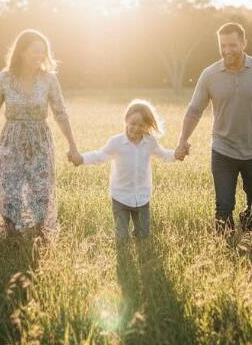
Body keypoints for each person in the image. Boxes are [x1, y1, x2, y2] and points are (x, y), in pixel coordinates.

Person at [175, 22, 252, 234]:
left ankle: (245, 225)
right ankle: (224, 251)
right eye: (223, 45)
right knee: (223, 207)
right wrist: (183, 140)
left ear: (243, 43)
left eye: (232, 45)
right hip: (223, 151)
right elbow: (194, 110)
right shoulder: (209, 74)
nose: (227, 50)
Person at [0, 29, 80, 236]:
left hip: (40, 141)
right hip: (11, 140)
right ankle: (13, 238)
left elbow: (60, 113)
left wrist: (73, 146)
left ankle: (39, 237)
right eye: (35, 51)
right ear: (21, 52)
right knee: (8, 191)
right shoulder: (4, 79)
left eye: (43, 52)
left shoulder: (49, 80)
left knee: (41, 191)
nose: (40, 56)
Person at [72, 99, 180, 242]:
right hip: (120, 197)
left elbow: (164, 155)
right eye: (133, 124)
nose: (136, 128)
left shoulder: (150, 142)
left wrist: (177, 154)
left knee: (143, 236)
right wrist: (82, 159)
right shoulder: (116, 142)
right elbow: (100, 156)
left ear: (147, 125)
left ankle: (142, 260)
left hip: (142, 197)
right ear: (126, 121)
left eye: (141, 125)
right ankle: (124, 258)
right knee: (121, 238)